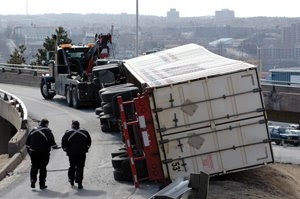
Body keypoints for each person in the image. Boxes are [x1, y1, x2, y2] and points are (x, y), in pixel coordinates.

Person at [26, 118, 59, 189]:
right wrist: (55, 147)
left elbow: (27, 144)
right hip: (44, 153)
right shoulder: (47, 131)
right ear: (46, 124)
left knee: (34, 166)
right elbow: (52, 143)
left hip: (33, 152)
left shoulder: (33, 130)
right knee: (43, 168)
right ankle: (42, 184)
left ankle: (33, 180)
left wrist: (30, 153)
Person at [62, 120, 91, 189]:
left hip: (71, 153)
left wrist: (66, 150)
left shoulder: (68, 132)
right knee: (80, 167)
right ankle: (79, 182)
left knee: (72, 166)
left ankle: (71, 180)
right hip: (82, 153)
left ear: (72, 125)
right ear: (79, 125)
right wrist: (86, 148)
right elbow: (89, 141)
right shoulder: (84, 131)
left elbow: (64, 143)